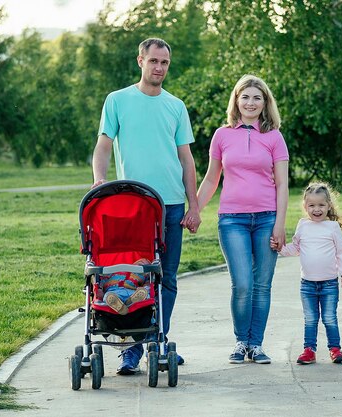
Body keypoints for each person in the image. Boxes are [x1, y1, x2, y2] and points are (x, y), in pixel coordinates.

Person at [91, 37, 201, 375]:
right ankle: (132, 350)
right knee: (138, 274)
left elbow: (186, 158)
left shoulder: (175, 106)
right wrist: (99, 180)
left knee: (166, 279)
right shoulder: (118, 100)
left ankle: (159, 340)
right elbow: (104, 145)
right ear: (140, 60)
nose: (159, 68)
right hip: (134, 204)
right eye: (153, 61)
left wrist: (193, 205)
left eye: (164, 63)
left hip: (170, 204)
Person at [197, 74, 289, 364]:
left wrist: (280, 224)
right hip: (232, 220)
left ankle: (256, 344)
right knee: (243, 284)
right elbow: (212, 178)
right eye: (245, 96)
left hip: (266, 219)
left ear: (265, 103)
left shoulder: (274, 137)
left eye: (257, 97)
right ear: (236, 100)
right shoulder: (222, 135)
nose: (251, 102)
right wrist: (194, 210)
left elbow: (283, 184)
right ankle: (241, 342)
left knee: (262, 284)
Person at [271, 182, 342, 365]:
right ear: (305, 206)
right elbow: (296, 248)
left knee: (330, 317)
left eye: (321, 205)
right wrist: (280, 248)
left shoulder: (332, 227)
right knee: (310, 319)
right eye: (312, 205)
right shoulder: (303, 226)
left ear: (329, 206)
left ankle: (335, 349)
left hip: (329, 284)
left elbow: (341, 252)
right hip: (307, 284)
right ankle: (309, 350)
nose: (317, 209)